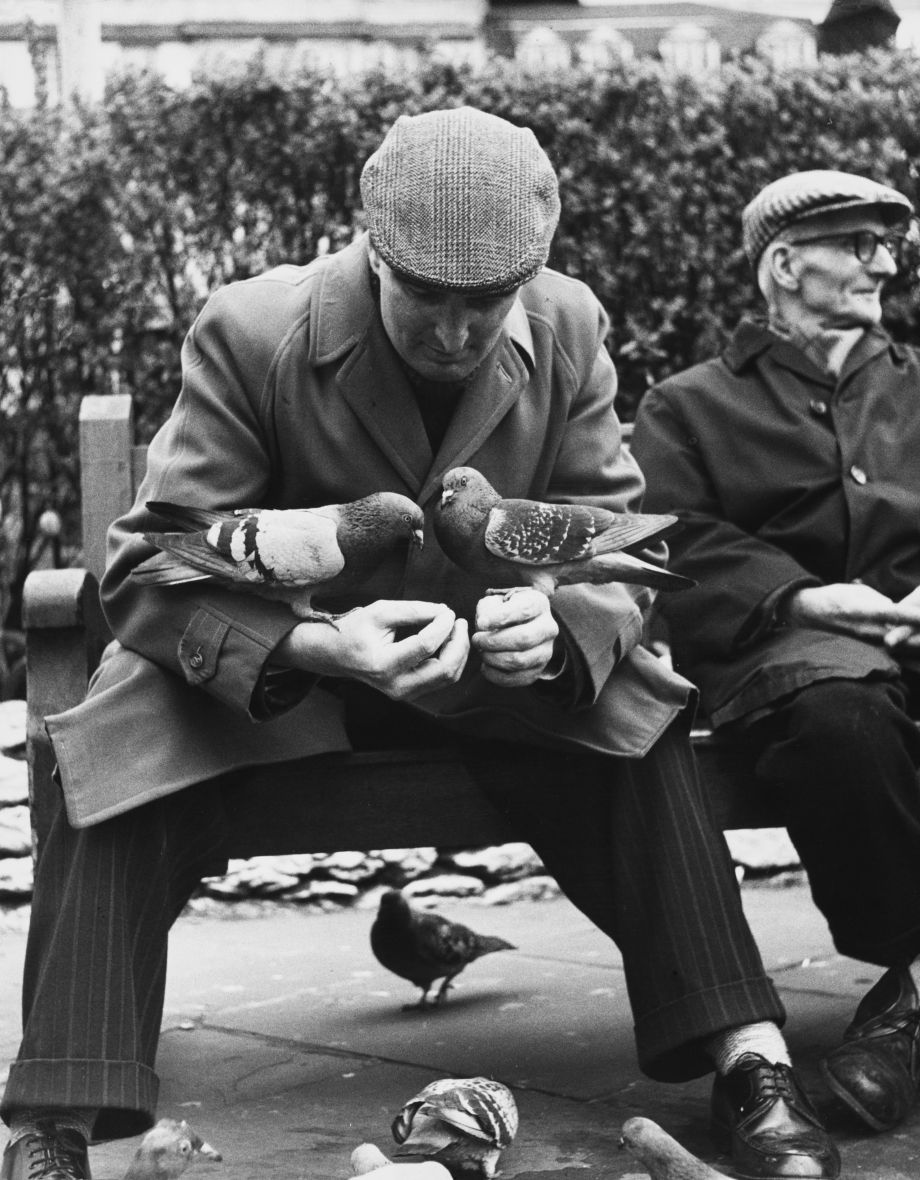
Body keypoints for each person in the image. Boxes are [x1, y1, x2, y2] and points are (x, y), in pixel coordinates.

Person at [1, 110, 839, 1180]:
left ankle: (750, 1061)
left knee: (638, 708)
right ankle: (53, 1121)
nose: (454, 333)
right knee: (108, 740)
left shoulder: (569, 323)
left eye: (485, 305)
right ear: (369, 250)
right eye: (425, 300)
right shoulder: (252, 329)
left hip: (489, 680)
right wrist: (311, 644)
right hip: (283, 672)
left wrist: (555, 626)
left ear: (528, 276)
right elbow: (147, 567)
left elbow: (612, 543)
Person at [633, 169, 920, 1139]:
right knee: (836, 718)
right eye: (857, 244)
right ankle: (918, 979)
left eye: (884, 244)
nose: (882, 262)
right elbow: (668, 538)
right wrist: (804, 594)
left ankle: (918, 995)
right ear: (781, 263)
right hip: (787, 645)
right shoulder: (687, 405)